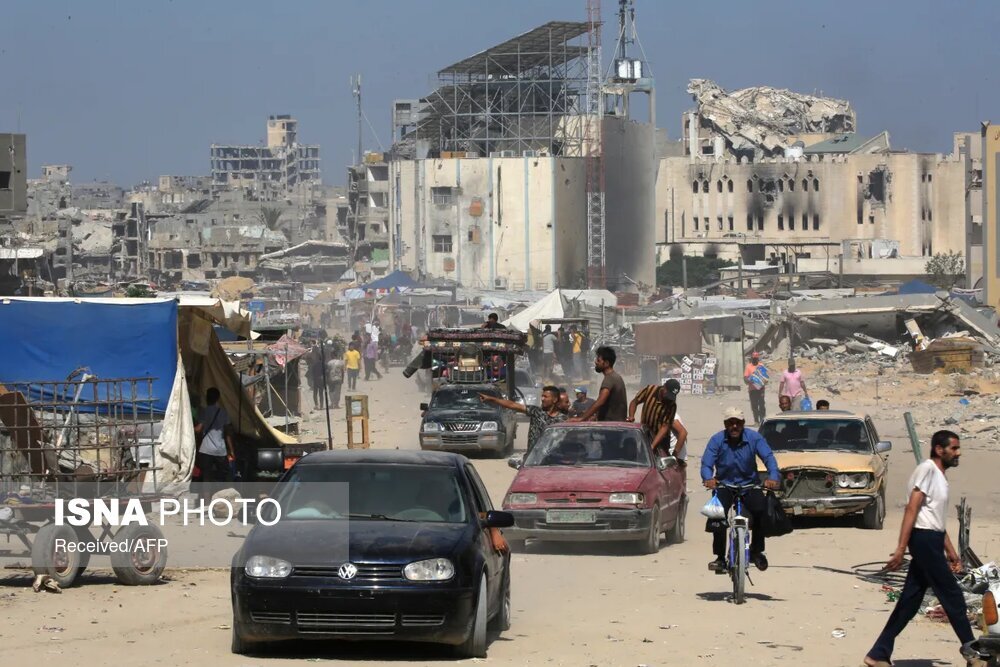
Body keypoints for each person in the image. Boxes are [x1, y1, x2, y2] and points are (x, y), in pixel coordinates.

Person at [862, 431, 976, 667]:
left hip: (932, 540)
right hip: (922, 540)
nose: (958, 453)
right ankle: (972, 653)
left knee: (910, 601)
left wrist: (952, 552)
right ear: (938, 449)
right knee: (952, 595)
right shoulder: (927, 470)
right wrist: (901, 547)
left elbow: (936, 521)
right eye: (953, 448)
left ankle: (878, 653)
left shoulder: (940, 477)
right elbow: (912, 509)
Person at [701, 407, 780, 573]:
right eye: (731, 423)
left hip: (750, 485)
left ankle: (756, 551)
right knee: (717, 517)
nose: (734, 426)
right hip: (724, 485)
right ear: (725, 424)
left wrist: (773, 477)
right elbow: (707, 463)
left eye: (738, 423)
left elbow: (769, 458)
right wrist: (708, 478)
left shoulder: (754, 438)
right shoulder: (717, 440)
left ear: (743, 424)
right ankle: (720, 558)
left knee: (760, 512)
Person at [479, 385, 565, 453]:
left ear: (555, 399)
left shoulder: (563, 419)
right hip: (532, 458)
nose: (542, 399)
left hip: (552, 459)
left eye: (545, 397)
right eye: (542, 396)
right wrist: (491, 399)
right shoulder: (536, 412)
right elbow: (512, 405)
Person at [627, 379, 688, 460]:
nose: (668, 399)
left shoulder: (672, 405)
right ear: (664, 387)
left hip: (661, 440)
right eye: (668, 394)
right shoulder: (650, 390)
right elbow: (634, 402)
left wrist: (652, 446)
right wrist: (631, 416)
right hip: (646, 434)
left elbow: (665, 427)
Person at [194, 387, 235, 502]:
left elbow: (198, 429)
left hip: (206, 449)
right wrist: (231, 450)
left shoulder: (204, 412)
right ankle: (223, 499)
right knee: (223, 476)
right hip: (220, 450)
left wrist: (187, 427)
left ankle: (207, 501)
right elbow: (227, 433)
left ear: (207, 398)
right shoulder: (223, 413)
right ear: (218, 398)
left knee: (206, 476)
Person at [570, 346, 627, 422]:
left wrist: (582, 418)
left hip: (611, 426)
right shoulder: (615, 377)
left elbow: (600, 401)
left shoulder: (610, 379)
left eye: (598, 360)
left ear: (606, 363)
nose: (596, 362)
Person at [744, 352, 769, 425]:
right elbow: (745, 378)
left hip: (761, 389)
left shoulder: (761, 366)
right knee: (754, 406)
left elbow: (765, 377)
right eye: (754, 358)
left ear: (758, 358)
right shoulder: (748, 366)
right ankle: (756, 421)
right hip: (752, 389)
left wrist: (764, 381)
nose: (755, 360)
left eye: (756, 358)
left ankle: (763, 420)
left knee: (761, 404)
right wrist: (749, 380)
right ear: (752, 358)